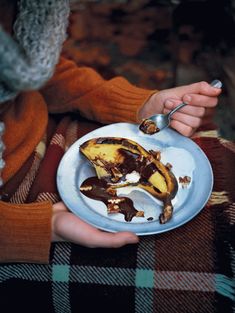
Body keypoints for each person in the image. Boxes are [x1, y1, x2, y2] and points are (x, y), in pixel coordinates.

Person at [0, 0, 221, 263]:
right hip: (16, 204)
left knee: (220, 158)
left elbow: (40, 72)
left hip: (42, 125)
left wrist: (138, 105)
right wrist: (38, 228)